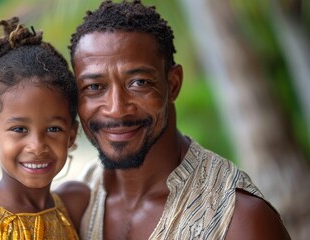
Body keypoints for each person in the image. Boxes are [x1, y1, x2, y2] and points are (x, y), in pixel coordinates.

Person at [69, 1, 291, 239]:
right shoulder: (74, 204)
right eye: (94, 87)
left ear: (173, 84)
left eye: (139, 83)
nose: (116, 109)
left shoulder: (239, 221)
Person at [0, 16, 89, 240]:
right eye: (19, 129)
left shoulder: (75, 203)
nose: (37, 146)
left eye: (53, 129)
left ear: (71, 135)